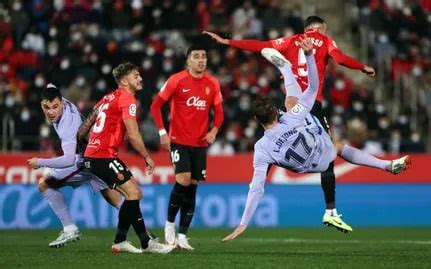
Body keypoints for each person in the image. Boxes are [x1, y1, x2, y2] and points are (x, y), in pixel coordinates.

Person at [222, 41, 411, 241]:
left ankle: (286, 69)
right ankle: (387, 166)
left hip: (308, 166)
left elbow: (256, 188)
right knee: (305, 114)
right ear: (274, 112)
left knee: (293, 104)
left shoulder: (261, 149)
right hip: (323, 149)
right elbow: (313, 87)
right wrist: (310, 56)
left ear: (256, 120)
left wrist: (242, 224)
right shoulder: (291, 117)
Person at [204, 15, 376, 232]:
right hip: (311, 104)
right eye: (323, 29)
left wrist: (228, 42)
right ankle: (330, 211)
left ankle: (265, 180)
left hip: (292, 103)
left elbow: (261, 46)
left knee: (286, 139)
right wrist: (363, 67)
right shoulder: (325, 40)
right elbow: (340, 59)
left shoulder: (289, 40)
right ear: (319, 28)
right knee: (330, 151)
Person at [79, 62, 173, 254]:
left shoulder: (106, 98)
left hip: (94, 155)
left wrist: (88, 144)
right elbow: (133, 134)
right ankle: (136, 242)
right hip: (103, 155)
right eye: (135, 76)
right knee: (134, 194)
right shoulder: (127, 99)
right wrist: (147, 156)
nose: (140, 78)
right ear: (124, 81)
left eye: (139, 75)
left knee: (133, 194)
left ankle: (134, 241)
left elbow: (84, 128)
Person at [28, 84, 123, 248]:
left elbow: (69, 160)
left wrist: (40, 162)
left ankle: (70, 228)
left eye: (55, 107)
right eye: (46, 107)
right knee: (114, 199)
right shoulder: (60, 99)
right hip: (96, 152)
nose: (51, 112)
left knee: (45, 184)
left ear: (62, 103)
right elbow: (51, 86)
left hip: (84, 159)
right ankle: (147, 236)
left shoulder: (67, 127)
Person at [150, 42, 224, 250]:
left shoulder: (213, 83)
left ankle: (182, 235)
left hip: (200, 144)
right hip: (179, 141)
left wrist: (214, 131)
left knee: (192, 187)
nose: (201, 60)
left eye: (204, 56)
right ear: (188, 60)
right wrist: (163, 133)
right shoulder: (177, 80)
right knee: (182, 181)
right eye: (196, 56)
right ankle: (169, 225)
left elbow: (219, 113)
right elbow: (156, 105)